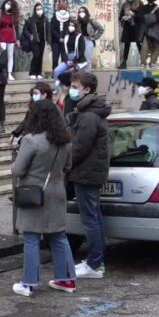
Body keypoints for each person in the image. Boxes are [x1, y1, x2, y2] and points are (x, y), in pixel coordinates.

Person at [11, 99, 76, 297]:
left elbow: (18, 169)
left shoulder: (31, 140)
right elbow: (67, 166)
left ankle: (29, 282)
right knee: (58, 236)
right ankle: (66, 279)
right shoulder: (64, 140)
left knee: (31, 237)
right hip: (57, 191)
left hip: (35, 193)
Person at [66, 72, 112, 279]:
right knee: (95, 217)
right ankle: (96, 261)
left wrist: (65, 165)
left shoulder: (88, 116)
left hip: (86, 172)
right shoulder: (90, 113)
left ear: (86, 89)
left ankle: (94, 264)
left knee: (90, 218)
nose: (71, 89)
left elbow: (79, 147)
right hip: (90, 170)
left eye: (75, 86)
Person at [0, 0, 21, 81]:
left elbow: (16, 27)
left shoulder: (13, 15)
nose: (8, 5)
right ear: (4, 3)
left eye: (10, 4)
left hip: (11, 36)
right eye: (7, 3)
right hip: (1, 36)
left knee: (10, 56)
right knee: (1, 54)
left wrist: (17, 39)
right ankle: (1, 72)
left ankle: (9, 74)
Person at [137, 0, 159, 68]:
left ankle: (153, 62)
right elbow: (140, 17)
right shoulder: (143, 7)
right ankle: (143, 63)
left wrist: (146, 18)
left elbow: (157, 18)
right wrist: (150, 18)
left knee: (157, 46)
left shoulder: (158, 7)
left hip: (155, 30)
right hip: (146, 30)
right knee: (144, 46)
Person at [118, 0, 143, 69]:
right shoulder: (125, 5)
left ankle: (143, 61)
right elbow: (120, 17)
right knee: (126, 44)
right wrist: (123, 18)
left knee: (139, 44)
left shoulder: (140, 4)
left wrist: (133, 15)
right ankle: (124, 62)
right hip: (128, 27)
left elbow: (142, 17)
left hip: (137, 27)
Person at [24, 4, 49, 79]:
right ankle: (32, 72)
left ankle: (39, 73)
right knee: (36, 55)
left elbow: (48, 30)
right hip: (34, 40)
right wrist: (30, 36)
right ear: (35, 10)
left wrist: (48, 40)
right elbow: (25, 29)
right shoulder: (31, 19)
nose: (39, 10)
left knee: (40, 56)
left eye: (40, 9)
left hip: (42, 40)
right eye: (37, 9)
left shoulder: (45, 19)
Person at [50, 3, 71, 69]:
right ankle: (55, 71)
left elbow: (68, 28)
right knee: (55, 58)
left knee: (64, 58)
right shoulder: (54, 17)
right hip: (56, 41)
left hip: (65, 41)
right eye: (61, 9)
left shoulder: (68, 18)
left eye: (64, 9)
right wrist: (59, 37)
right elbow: (52, 29)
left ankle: (64, 72)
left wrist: (65, 37)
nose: (62, 10)